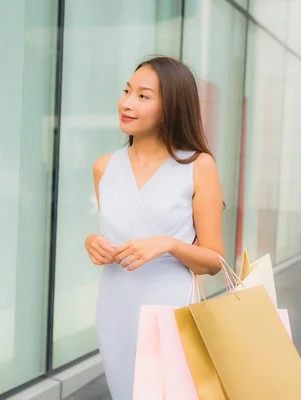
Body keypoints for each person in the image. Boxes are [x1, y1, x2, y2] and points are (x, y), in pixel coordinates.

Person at [84, 56, 225, 400]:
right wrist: (92, 242)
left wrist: (169, 244)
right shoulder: (104, 167)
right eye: (127, 91)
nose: (127, 103)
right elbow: (119, 231)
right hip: (114, 308)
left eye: (143, 96)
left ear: (170, 108)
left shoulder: (198, 166)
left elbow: (214, 261)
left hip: (170, 311)